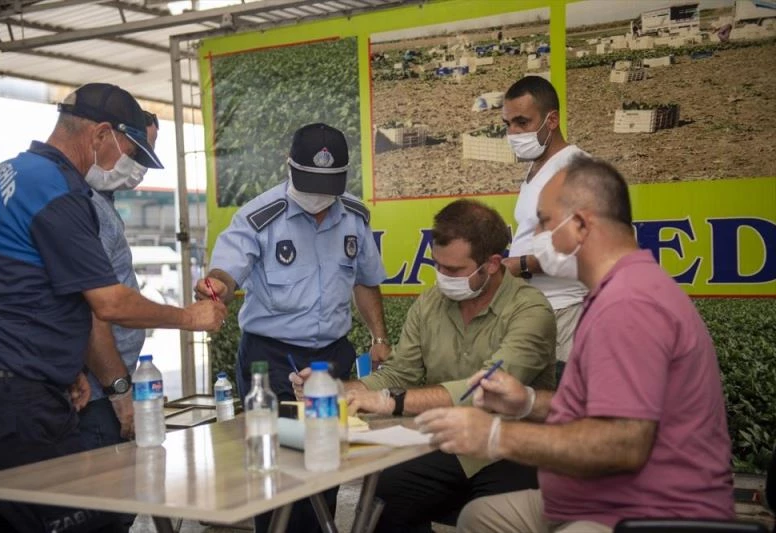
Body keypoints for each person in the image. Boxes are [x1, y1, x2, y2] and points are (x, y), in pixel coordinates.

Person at [416, 156, 735, 533]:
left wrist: (497, 436)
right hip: (598, 497)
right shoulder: (618, 291)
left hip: (650, 510)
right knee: (480, 517)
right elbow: (600, 408)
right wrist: (528, 402)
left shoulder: (629, 305)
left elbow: (623, 443)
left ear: (581, 224)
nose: (534, 238)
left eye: (544, 223)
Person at [0, 83, 226, 533]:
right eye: (128, 152)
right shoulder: (57, 191)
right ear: (101, 135)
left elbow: (17, 291)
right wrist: (190, 318)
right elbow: (107, 303)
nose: (127, 168)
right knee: (86, 521)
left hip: (5, 388)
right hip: (15, 404)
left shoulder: (3, 176)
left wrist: (61, 362)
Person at [292, 199, 557, 533]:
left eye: (455, 270)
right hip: (447, 445)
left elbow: (485, 389)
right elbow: (399, 372)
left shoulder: (530, 311)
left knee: (491, 517)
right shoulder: (430, 303)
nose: (443, 277)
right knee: (385, 493)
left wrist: (393, 401)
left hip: (511, 448)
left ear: (491, 264)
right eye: (438, 265)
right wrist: (339, 390)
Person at [194, 122, 390, 533]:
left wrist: (379, 338)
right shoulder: (259, 217)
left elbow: (365, 280)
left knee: (328, 461)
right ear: (290, 168)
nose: (319, 196)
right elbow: (227, 273)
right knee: (279, 467)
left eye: (328, 184)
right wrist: (216, 287)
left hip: (331, 360)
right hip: (273, 358)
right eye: (310, 182)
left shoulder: (354, 215)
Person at [79, 110, 160, 453]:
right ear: (102, 136)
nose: (138, 167)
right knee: (109, 499)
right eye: (135, 153)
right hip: (97, 394)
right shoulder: (83, 207)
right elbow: (94, 312)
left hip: (106, 387)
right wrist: (119, 391)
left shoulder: (103, 203)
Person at [501, 76, 588, 380]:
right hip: (537, 311)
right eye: (508, 123)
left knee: (564, 408)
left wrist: (521, 265)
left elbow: (582, 251)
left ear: (551, 120)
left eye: (522, 122)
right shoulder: (536, 167)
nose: (513, 133)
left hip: (566, 313)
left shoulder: (575, 168)